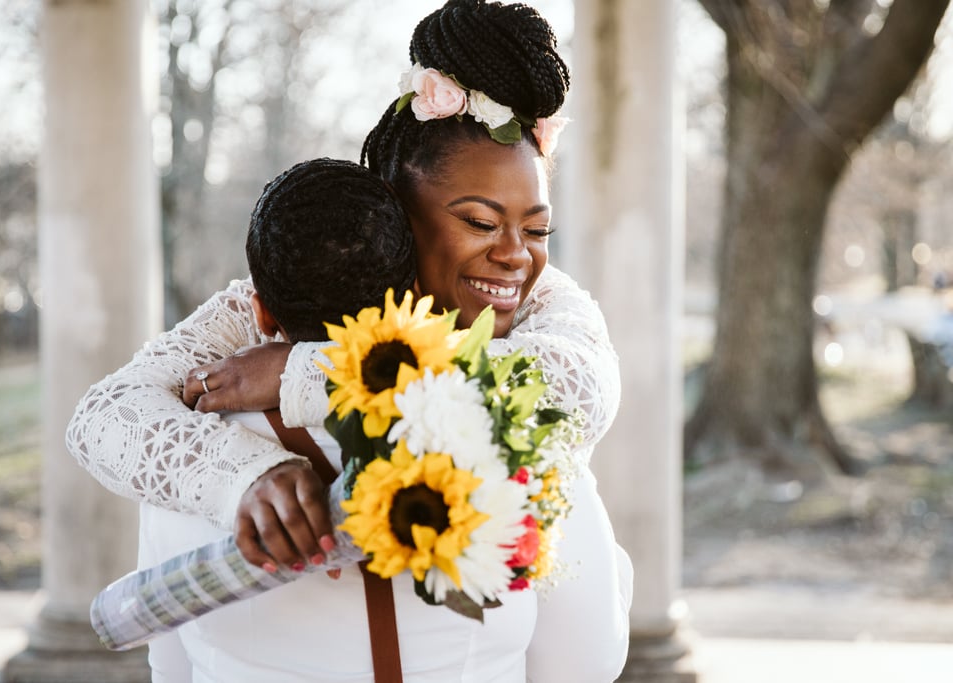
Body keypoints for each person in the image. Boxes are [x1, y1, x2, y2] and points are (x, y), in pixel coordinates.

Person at [69, 1, 631, 680]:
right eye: (481, 220)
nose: (516, 255)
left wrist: (311, 373)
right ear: (394, 207)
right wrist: (249, 475)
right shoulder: (255, 307)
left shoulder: (539, 316)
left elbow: (577, 383)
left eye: (537, 230)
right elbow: (106, 416)